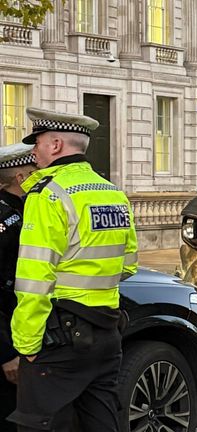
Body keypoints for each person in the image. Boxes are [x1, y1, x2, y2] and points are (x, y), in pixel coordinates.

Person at [9, 108, 138, 432]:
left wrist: (27, 346)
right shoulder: (112, 192)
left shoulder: (48, 194)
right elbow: (128, 265)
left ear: (55, 145)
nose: (33, 151)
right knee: (102, 422)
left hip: (60, 336)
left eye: (37, 143)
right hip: (107, 331)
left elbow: (33, 279)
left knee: (40, 424)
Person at [0, 144, 37, 432]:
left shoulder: (27, 211)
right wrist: (6, 353)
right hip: (9, 344)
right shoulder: (6, 220)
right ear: (21, 177)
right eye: (35, 171)